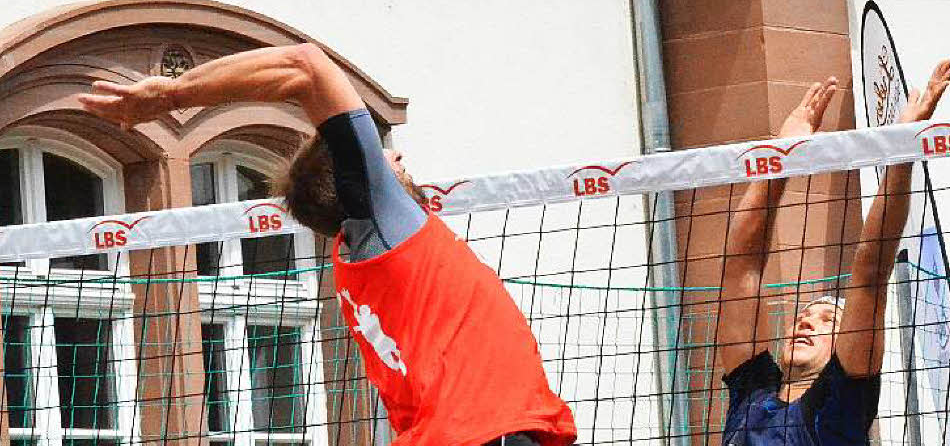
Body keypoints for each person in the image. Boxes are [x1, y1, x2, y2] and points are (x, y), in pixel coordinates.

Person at [79, 43, 577, 446]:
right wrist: (171, 95)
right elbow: (307, 67)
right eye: (385, 160)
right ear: (360, 183)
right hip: (485, 435)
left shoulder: (357, 261)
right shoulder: (384, 220)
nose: (398, 158)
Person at [717, 61, 950, 446]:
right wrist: (779, 155)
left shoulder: (841, 401)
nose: (805, 322)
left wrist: (901, 153)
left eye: (827, 318)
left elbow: (870, 273)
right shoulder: (751, 394)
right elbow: (741, 266)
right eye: (804, 315)